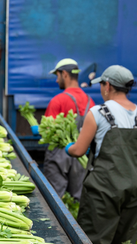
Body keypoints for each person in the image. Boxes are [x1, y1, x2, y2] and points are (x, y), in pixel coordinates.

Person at [66, 65, 137, 244]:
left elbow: (79, 151)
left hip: (103, 190)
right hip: (134, 191)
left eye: (102, 85)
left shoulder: (98, 112)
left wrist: (68, 147)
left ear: (108, 86)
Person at [35, 58, 94, 202]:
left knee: (54, 200)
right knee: (80, 200)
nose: (56, 80)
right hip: (81, 156)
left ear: (65, 74)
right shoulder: (89, 101)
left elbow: (46, 131)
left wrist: (39, 130)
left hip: (58, 156)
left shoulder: (58, 100)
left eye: (57, 76)